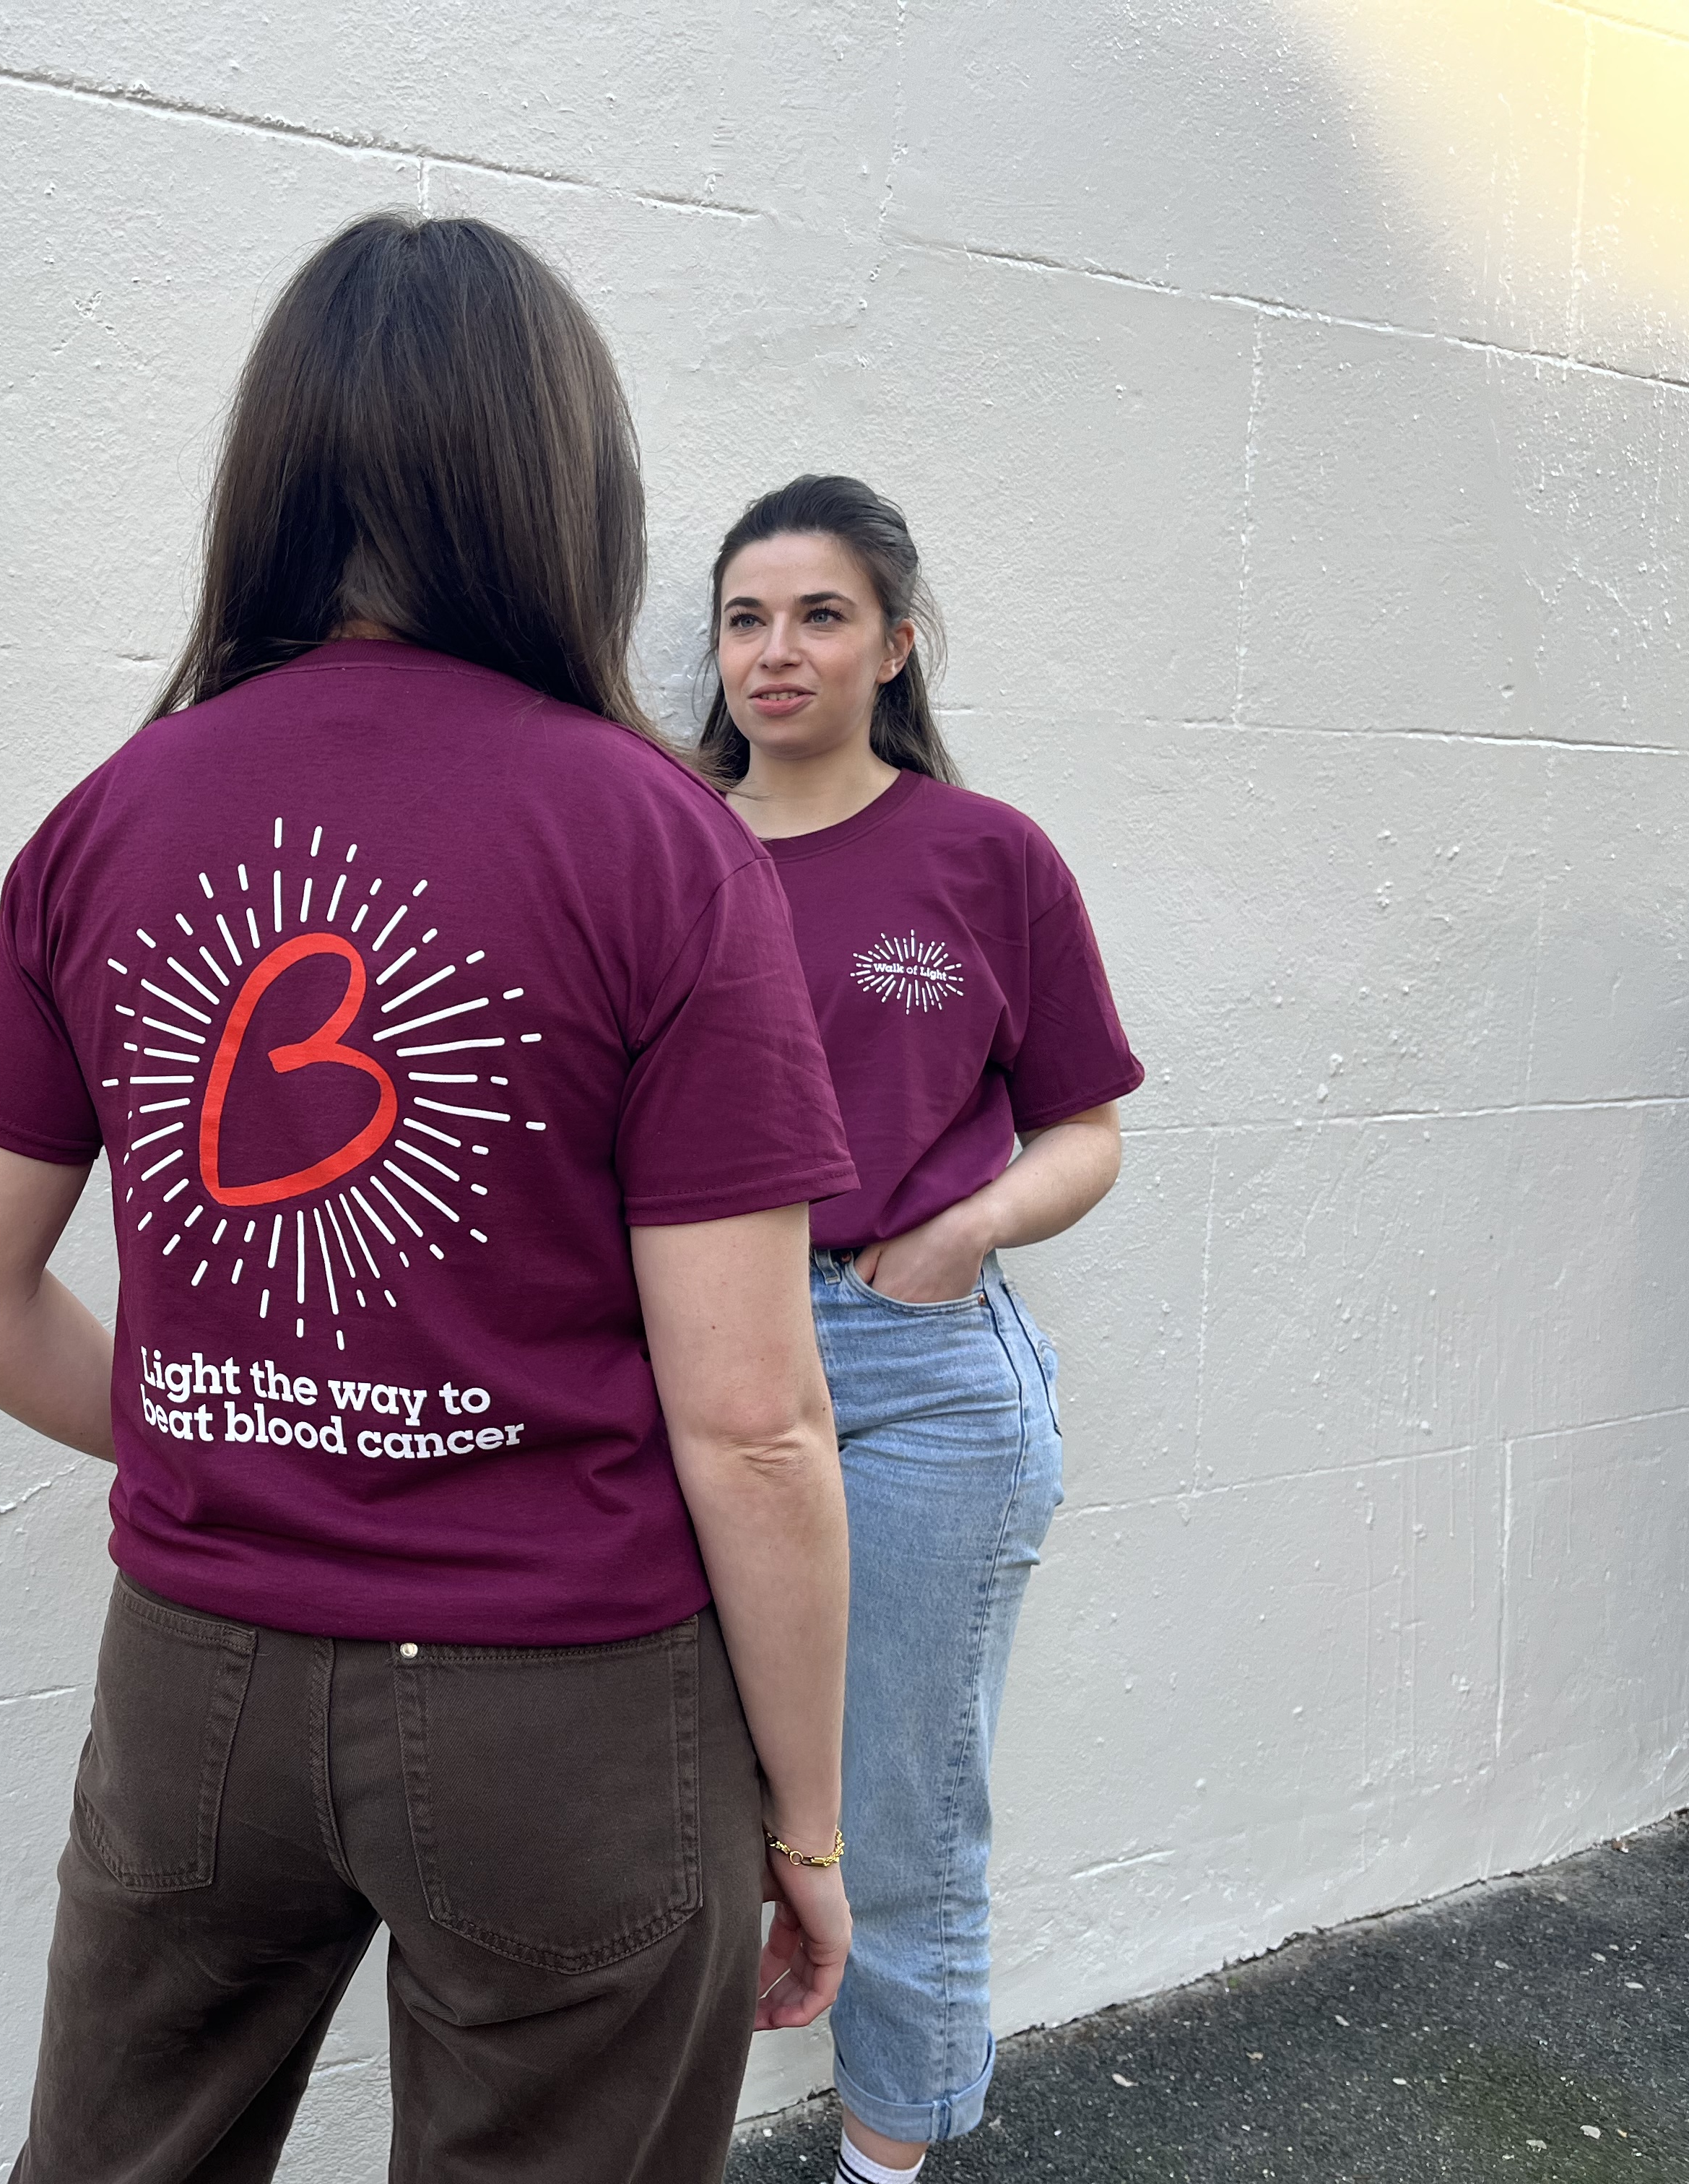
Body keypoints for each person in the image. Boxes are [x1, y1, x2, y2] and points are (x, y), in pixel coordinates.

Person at [0, 215, 864, 2183]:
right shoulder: (658, 840)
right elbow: (755, 1419)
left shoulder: (110, 816)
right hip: (567, 1707)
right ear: (564, 484)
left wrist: (234, 1434)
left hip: (194, 1683)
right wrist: (814, 1824)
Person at [695, 475, 1145, 2184]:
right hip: (683, 1365)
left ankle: (884, 2167)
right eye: (747, 617)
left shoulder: (982, 855)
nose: (778, 651)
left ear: (896, 644)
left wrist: (963, 1227)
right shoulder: (662, 832)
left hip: (910, 1382)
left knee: (892, 1817)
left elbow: (1088, 1127)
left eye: (820, 615)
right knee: (676, 1800)